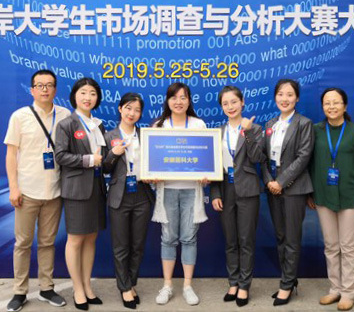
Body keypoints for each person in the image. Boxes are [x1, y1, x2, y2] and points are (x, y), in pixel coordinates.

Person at [4, 70, 70, 312]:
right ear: (32, 90)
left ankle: (46, 288)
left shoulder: (65, 115)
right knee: (22, 243)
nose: (45, 89)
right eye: (40, 85)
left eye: (49, 85)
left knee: (47, 242)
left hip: (54, 190)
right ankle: (19, 291)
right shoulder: (19, 117)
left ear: (55, 89)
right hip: (27, 191)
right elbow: (11, 155)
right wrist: (14, 187)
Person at [308, 88, 354, 312]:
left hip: (351, 196)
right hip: (323, 195)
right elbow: (310, 164)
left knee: (348, 246)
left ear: (345, 106)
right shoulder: (316, 130)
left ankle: (348, 292)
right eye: (327, 103)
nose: (331, 106)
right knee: (331, 246)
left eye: (336, 102)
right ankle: (334, 289)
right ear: (322, 107)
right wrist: (310, 193)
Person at [151, 82, 208, 306]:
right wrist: (152, 174)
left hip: (192, 190)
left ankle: (187, 286)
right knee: (168, 238)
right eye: (174, 97)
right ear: (167, 101)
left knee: (189, 238)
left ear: (189, 100)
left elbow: (207, 157)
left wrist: (207, 174)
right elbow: (152, 159)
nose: (178, 101)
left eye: (183, 97)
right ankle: (167, 285)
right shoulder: (159, 126)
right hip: (167, 190)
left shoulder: (198, 124)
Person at [54, 78, 107, 311]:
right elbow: (60, 156)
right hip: (76, 189)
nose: (88, 97)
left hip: (97, 187)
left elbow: (104, 158)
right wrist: (88, 160)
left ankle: (87, 285)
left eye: (93, 93)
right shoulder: (66, 124)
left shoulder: (98, 125)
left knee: (91, 238)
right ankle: (77, 289)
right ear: (75, 95)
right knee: (75, 239)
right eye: (83, 92)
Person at [261, 78, 314, 306]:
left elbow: (303, 157)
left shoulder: (304, 123)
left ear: (297, 98)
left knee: (292, 238)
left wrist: (281, 182)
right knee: (281, 236)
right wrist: (269, 181)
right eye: (281, 94)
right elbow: (264, 157)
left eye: (290, 94)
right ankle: (289, 280)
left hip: (293, 188)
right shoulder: (270, 124)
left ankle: (286, 285)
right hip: (273, 187)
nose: (285, 99)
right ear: (275, 97)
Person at [210, 86, 264, 307]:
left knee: (246, 240)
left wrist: (248, 133)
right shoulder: (218, 132)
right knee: (230, 240)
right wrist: (214, 193)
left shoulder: (255, 128)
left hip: (248, 190)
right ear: (221, 107)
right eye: (225, 103)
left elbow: (257, 158)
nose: (230, 107)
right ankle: (233, 282)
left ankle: (244, 285)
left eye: (234, 102)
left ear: (242, 102)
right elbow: (213, 166)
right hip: (225, 190)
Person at [103, 93, 155, 309]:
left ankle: (131, 283)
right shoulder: (109, 136)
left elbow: (155, 162)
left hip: (142, 194)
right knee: (121, 246)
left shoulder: (146, 135)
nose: (132, 113)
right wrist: (114, 154)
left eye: (137, 110)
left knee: (137, 245)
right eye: (128, 108)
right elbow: (104, 168)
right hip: (119, 195)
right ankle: (124, 288)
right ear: (120, 109)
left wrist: (153, 175)